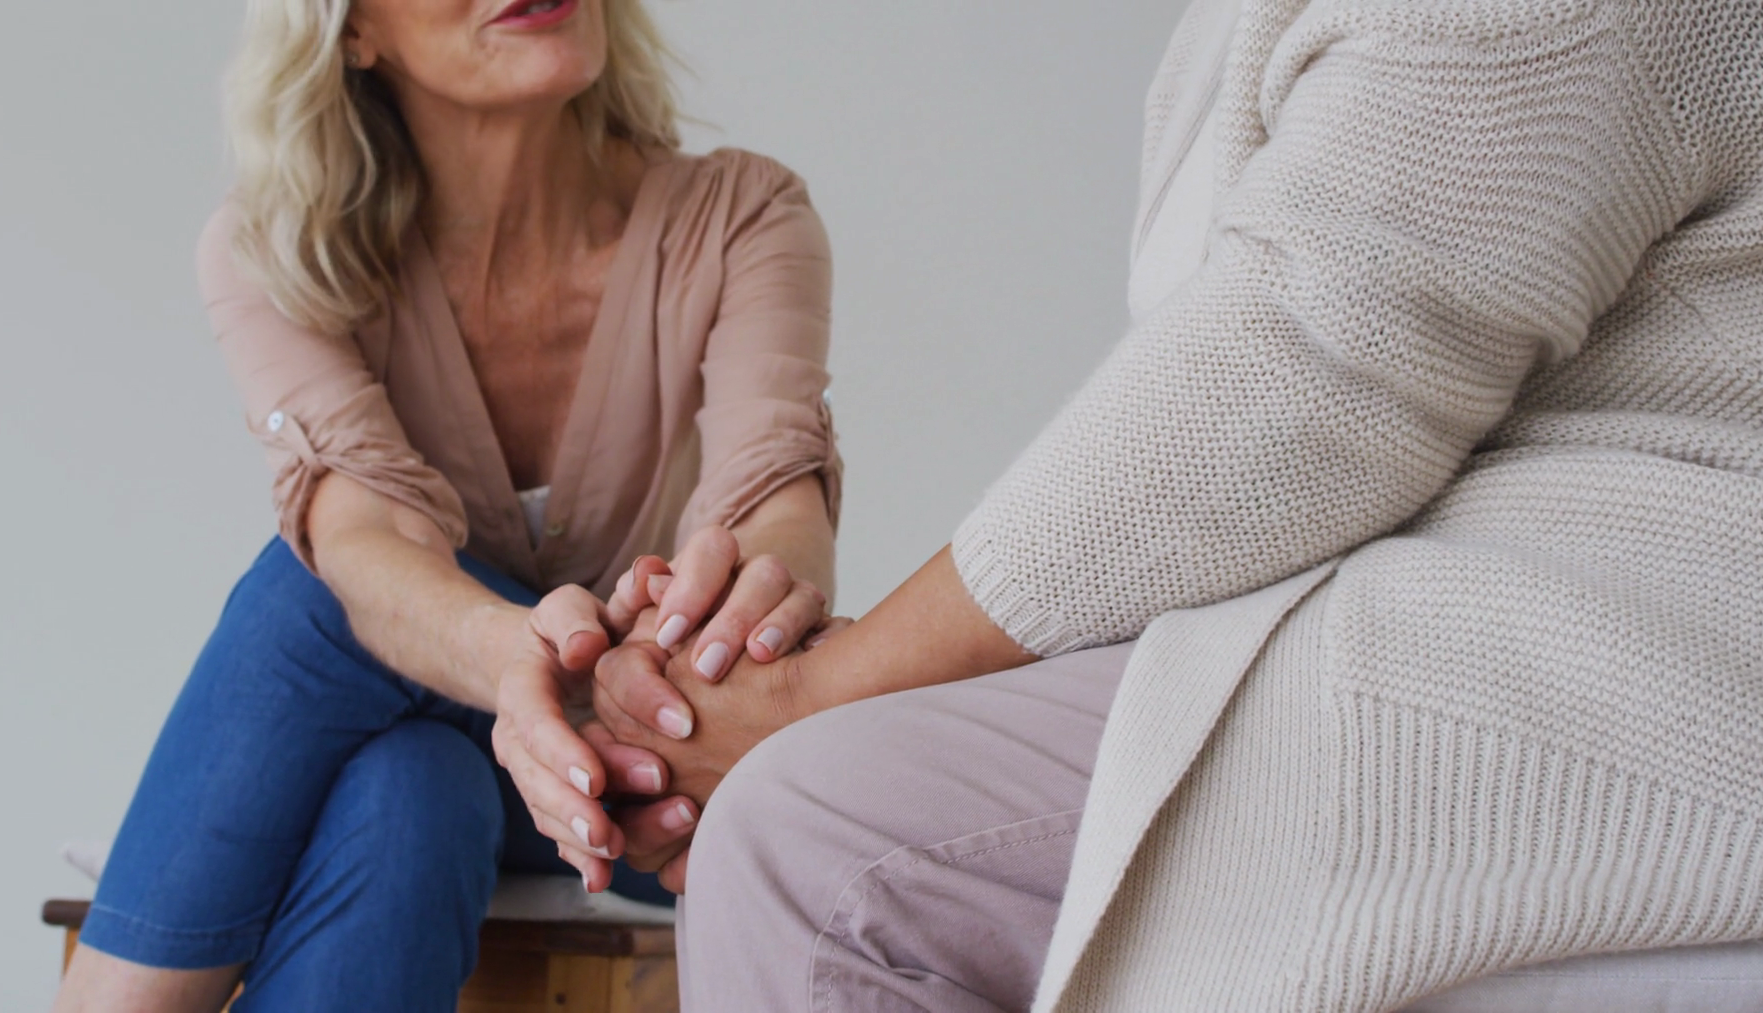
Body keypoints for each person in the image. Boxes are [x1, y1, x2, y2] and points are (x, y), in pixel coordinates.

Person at [582, 0, 1763, 1008]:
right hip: (1444, 600)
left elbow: (1305, 375)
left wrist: (805, 692)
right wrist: (699, 680)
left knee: (813, 837)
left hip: (1638, 632)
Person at [52, 0, 843, 1009]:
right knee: (412, 780)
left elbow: (771, 493)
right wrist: (526, 658)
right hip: (481, 728)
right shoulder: (281, 248)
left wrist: (747, 613)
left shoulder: (739, 214)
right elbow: (362, 533)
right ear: (352, 30)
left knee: (309, 598)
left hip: (651, 764)